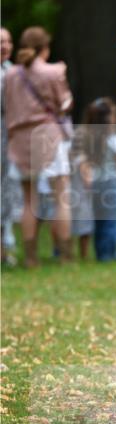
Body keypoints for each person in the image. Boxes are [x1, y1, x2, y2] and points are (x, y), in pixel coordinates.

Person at [3, 26, 73, 266]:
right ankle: (65, 255)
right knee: (60, 197)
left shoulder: (11, 74)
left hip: (19, 140)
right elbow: (64, 104)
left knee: (28, 201)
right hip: (48, 136)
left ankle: (30, 257)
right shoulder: (53, 71)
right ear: (46, 47)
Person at [75, 97, 116, 262]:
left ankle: (101, 252)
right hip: (111, 184)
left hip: (93, 184)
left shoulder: (86, 137)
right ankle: (109, 253)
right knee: (114, 221)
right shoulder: (112, 139)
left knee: (99, 221)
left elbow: (81, 160)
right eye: (114, 116)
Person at [1, 27, 21, 267]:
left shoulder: (14, 71)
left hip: (11, 139)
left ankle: (7, 245)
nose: (4, 46)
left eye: (7, 41)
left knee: (8, 191)